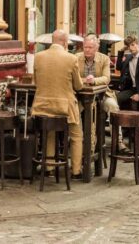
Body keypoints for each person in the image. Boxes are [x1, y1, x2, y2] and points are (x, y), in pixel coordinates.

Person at [32, 29, 85, 178]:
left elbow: (35, 82)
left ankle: (48, 167)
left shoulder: (38, 57)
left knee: (50, 133)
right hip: (64, 107)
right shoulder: (71, 58)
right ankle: (76, 171)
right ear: (65, 42)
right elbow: (78, 86)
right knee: (76, 135)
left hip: (42, 106)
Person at [76, 33, 119, 115]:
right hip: (80, 94)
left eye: (90, 47)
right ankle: (80, 128)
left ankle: (114, 128)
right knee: (74, 109)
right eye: (85, 47)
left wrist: (93, 80)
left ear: (96, 48)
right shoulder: (76, 58)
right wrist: (85, 80)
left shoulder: (104, 59)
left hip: (102, 94)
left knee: (112, 106)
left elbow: (106, 78)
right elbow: (73, 77)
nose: (87, 50)